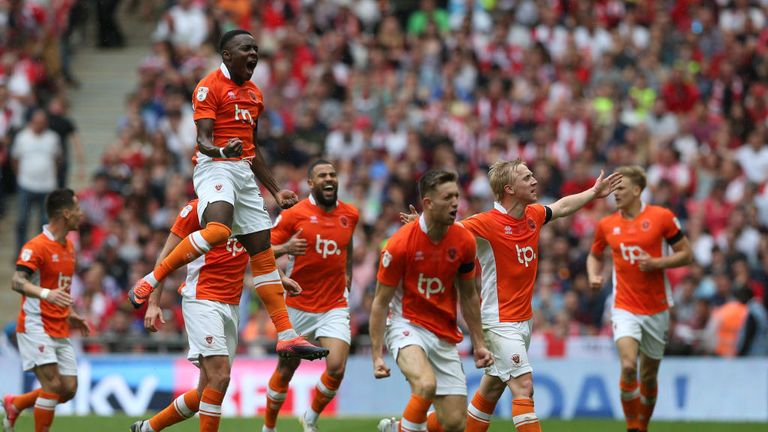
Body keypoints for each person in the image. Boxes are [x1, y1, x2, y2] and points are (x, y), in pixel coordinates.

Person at [128, 29, 327, 360]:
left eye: (256, 49)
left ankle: (287, 334)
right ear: (226, 54)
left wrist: (276, 190)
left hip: (243, 172)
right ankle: (151, 279)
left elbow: (253, 148)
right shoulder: (208, 87)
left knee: (261, 251)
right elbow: (202, 141)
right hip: (214, 167)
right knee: (219, 230)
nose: (253, 53)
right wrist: (221, 151)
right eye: (245, 48)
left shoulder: (254, 94)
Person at [401, 159, 620, 431]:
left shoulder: (533, 216)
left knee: (489, 395)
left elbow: (561, 206)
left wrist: (593, 192)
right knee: (524, 387)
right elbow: (448, 231)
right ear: (510, 189)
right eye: (527, 177)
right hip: (499, 322)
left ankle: (408, 428)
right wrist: (421, 226)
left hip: (523, 322)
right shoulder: (486, 223)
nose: (535, 181)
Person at [130, 198, 304, 432]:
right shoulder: (197, 208)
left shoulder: (248, 207)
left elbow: (257, 251)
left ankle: (148, 428)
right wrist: (154, 302)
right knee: (220, 375)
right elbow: (166, 256)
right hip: (201, 299)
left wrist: (279, 276)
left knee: (208, 389)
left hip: (231, 304)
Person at [371, 169, 493, 432]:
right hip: (406, 324)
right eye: (447, 197)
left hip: (444, 331)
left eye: (456, 196)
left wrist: (479, 343)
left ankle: (398, 428)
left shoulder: (464, 241)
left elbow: (469, 294)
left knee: (455, 422)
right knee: (425, 385)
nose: (455, 203)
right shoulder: (399, 244)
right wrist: (376, 355)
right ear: (428, 203)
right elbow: (380, 302)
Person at [587, 165, 693, 432]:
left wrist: (658, 262)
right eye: (614, 188)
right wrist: (593, 275)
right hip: (623, 306)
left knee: (647, 376)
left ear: (637, 190)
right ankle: (632, 427)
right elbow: (594, 255)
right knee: (627, 365)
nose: (615, 193)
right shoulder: (607, 224)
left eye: (621, 188)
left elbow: (686, 254)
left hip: (657, 308)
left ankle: (642, 425)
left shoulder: (662, 217)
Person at [263, 160, 359, 432]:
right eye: (322, 176)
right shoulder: (295, 214)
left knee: (337, 367)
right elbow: (262, 253)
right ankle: (268, 427)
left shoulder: (350, 214)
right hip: (298, 304)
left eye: (332, 174)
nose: (329, 179)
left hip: (334, 304)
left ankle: (310, 419)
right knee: (286, 370)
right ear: (311, 184)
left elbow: (348, 242)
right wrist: (287, 247)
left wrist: (348, 271)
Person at [1, 189, 90, 432]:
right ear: (65, 213)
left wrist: (70, 314)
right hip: (35, 325)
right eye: (77, 209)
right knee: (52, 385)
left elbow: (59, 288)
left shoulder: (70, 248)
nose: (81, 214)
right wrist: (45, 294)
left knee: (68, 388)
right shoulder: (36, 246)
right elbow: (17, 281)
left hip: (59, 325)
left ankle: (16, 403)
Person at [12, 109, 62, 254]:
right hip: (26, 184)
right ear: (31, 122)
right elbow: (15, 159)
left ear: (46, 123)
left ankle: (42, 253)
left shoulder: (53, 138)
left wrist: (51, 175)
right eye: (36, 122)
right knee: (22, 220)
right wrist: (21, 176)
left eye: (42, 123)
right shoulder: (22, 137)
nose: (39, 125)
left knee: (44, 223)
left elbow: (58, 159)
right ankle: (20, 252)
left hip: (47, 186)